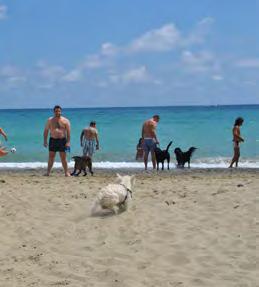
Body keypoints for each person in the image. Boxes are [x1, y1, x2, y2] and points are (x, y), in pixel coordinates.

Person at [43, 105, 71, 176]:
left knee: (63, 157)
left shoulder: (66, 120)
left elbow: (68, 132)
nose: (57, 112)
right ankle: (48, 172)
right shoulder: (50, 120)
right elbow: (46, 131)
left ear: (61, 111)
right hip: (53, 140)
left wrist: (68, 142)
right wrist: (45, 141)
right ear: (54, 112)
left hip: (62, 141)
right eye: (56, 111)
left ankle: (66, 172)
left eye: (59, 111)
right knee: (51, 157)